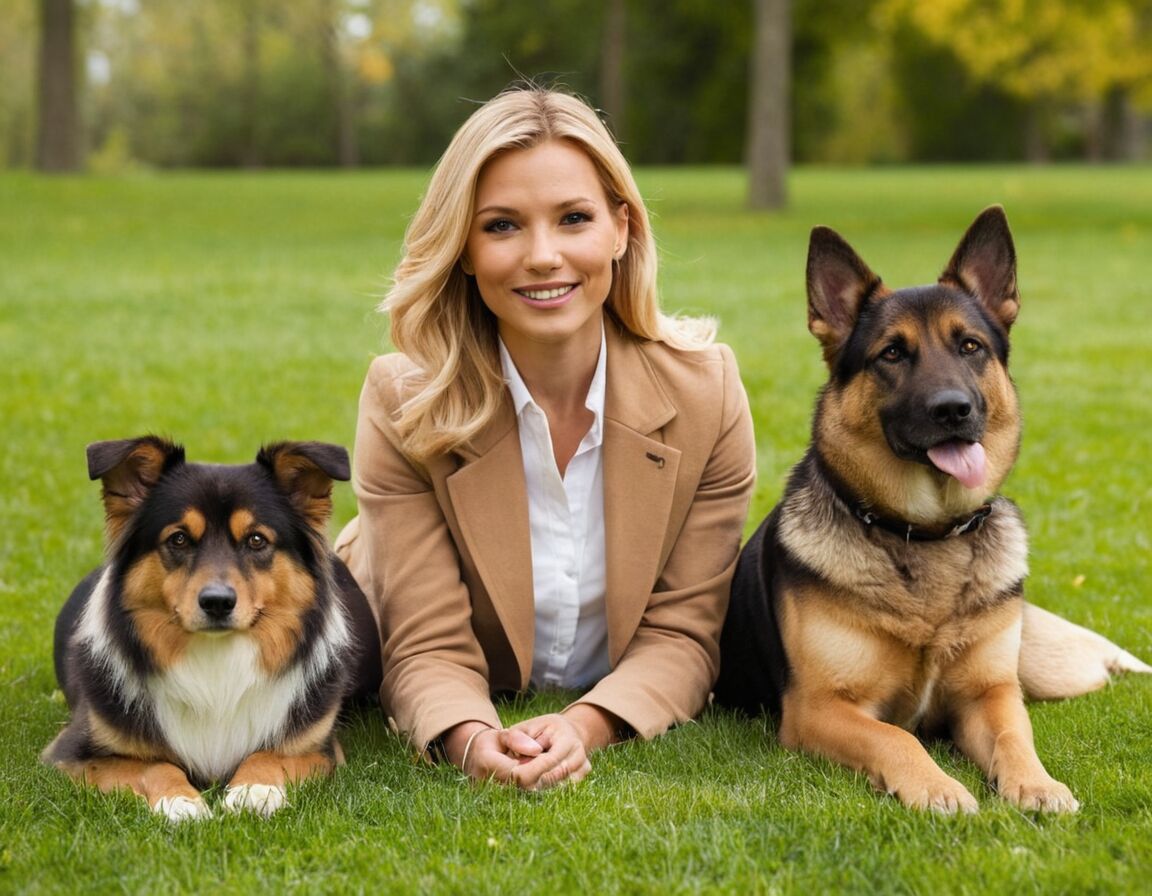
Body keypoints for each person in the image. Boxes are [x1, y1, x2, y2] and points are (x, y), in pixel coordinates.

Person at [334, 85, 756, 790]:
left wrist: (585, 724)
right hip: (379, 599)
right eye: (501, 226)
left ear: (621, 229)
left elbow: (684, 631)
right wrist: (471, 738)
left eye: (573, 219)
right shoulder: (401, 399)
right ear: (463, 247)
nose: (542, 255)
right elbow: (426, 644)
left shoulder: (706, 393)